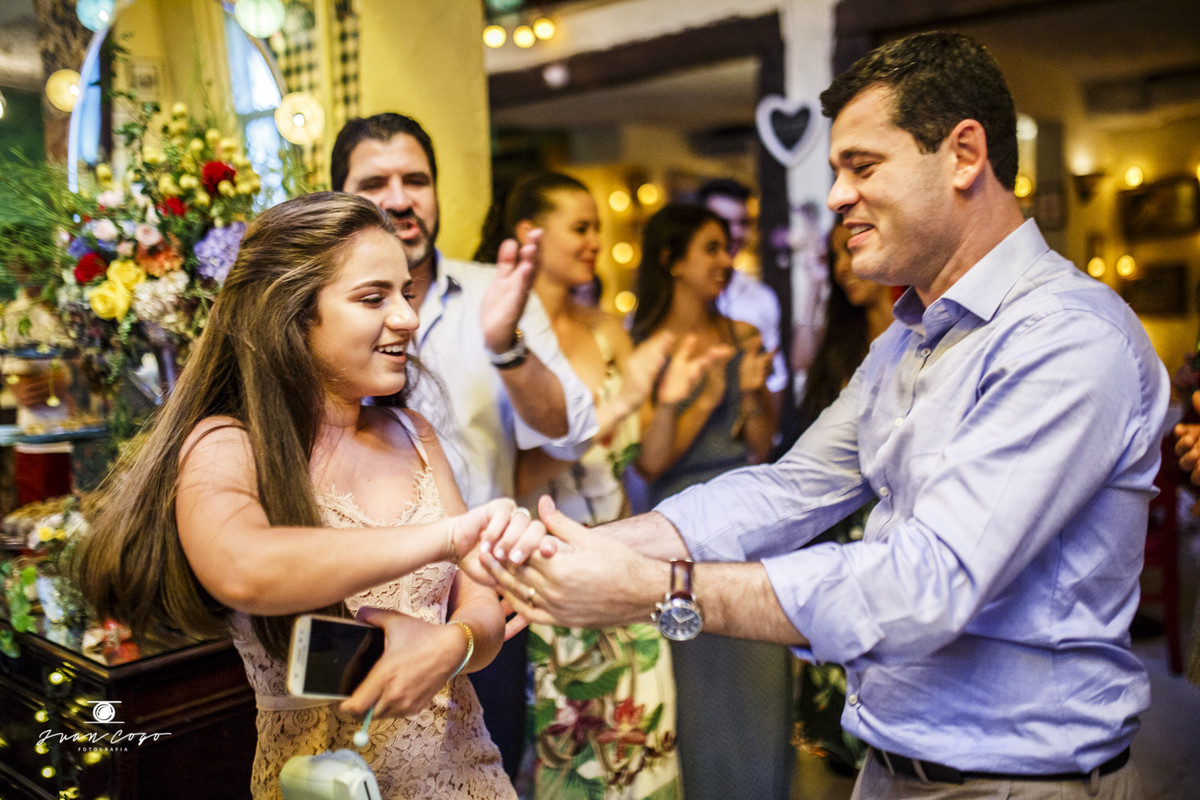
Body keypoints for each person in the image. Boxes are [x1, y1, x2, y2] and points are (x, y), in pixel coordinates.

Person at [491, 31, 1167, 800]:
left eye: (862, 166)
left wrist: (660, 588)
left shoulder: (1067, 337)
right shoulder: (908, 340)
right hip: (890, 766)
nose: (838, 195)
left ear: (963, 155)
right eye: (837, 172)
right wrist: (580, 548)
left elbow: (928, 584)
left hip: (1023, 782)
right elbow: (789, 488)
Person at [73, 193, 551, 798]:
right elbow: (245, 568)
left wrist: (451, 647)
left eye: (406, 293)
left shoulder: (414, 433)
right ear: (291, 314)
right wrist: (449, 537)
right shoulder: (226, 444)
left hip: (468, 776)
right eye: (373, 298)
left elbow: (482, 606)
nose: (406, 317)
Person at [330, 114, 598, 778]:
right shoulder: (316, 310)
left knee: (483, 766)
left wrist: (504, 343)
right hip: (348, 608)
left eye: (415, 180)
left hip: (483, 605)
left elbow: (570, 430)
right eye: (375, 183)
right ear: (340, 196)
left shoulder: (495, 291)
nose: (399, 199)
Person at [475, 173, 713, 798]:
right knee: (569, 768)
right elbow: (514, 476)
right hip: (548, 582)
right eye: (580, 228)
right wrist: (616, 406)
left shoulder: (607, 329)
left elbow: (648, 460)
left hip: (627, 571)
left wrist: (667, 401)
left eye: (597, 230)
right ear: (530, 234)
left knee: (642, 761)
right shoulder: (503, 341)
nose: (594, 243)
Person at [624, 202, 789, 800]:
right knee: (697, 683)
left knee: (761, 671)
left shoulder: (743, 335)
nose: (726, 261)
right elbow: (650, 461)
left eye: (727, 249)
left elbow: (762, 445)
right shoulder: (644, 346)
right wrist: (707, 395)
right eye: (711, 249)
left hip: (743, 510)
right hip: (676, 519)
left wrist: (751, 396)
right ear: (673, 260)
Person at [790, 219, 891, 773]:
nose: (843, 269)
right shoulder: (842, 341)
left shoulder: (921, 333)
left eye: (849, 252)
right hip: (844, 515)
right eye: (834, 258)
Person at [699, 178, 787, 400]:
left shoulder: (761, 297)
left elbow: (775, 381)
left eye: (743, 223)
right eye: (725, 223)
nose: (736, 232)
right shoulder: (679, 296)